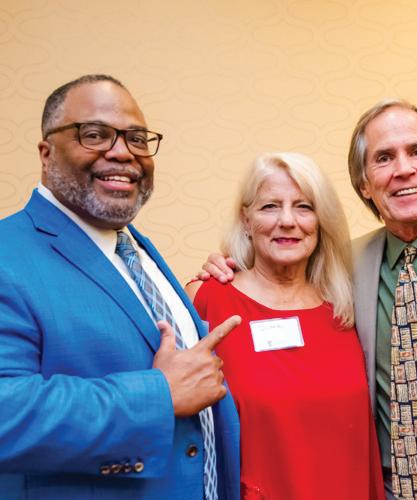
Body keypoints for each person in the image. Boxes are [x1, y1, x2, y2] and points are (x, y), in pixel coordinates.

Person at [200, 100, 417, 500]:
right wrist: (222, 268)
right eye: (384, 158)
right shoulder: (342, 268)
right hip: (385, 490)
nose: (403, 169)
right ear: (364, 183)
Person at [0, 74, 241, 500]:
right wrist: (159, 394)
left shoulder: (134, 248)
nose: (123, 152)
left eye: (137, 138)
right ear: (46, 153)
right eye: (94, 135)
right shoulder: (9, 253)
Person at [186, 152, 385, 500]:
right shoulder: (208, 300)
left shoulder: (348, 303)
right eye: (270, 207)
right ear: (246, 220)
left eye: (304, 207)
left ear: (321, 221)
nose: (288, 221)